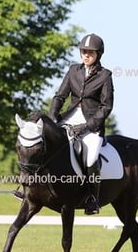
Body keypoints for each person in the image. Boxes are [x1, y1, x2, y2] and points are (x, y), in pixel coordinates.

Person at [49, 33, 114, 215]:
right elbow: (60, 96)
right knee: (45, 142)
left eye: (90, 52)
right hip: (69, 118)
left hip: (92, 124)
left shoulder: (105, 76)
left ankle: (93, 198)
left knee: (91, 158)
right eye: (83, 51)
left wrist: (86, 127)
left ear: (98, 54)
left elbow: (106, 107)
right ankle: (31, 188)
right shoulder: (73, 71)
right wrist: (53, 117)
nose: (86, 55)